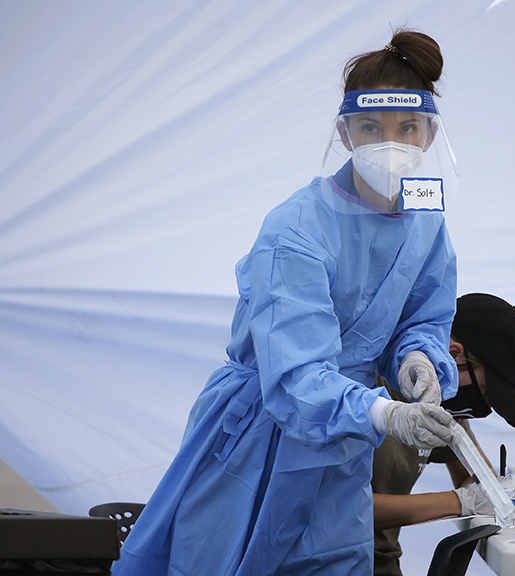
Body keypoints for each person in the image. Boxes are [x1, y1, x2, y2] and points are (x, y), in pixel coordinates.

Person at [113, 29, 461, 576]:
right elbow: (296, 373)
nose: (389, 143)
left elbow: (422, 315)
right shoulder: (297, 227)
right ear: (345, 133)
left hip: (343, 450)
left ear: (429, 133)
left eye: (406, 128)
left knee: (333, 560)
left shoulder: (424, 217)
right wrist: (384, 412)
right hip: (260, 436)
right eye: (371, 127)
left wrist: (417, 358)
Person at [371, 293, 515, 576]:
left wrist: (497, 490)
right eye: (487, 392)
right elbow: (340, 510)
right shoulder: (369, 391)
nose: (486, 408)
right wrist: (458, 501)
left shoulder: (438, 406)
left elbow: (478, 481)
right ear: (454, 354)